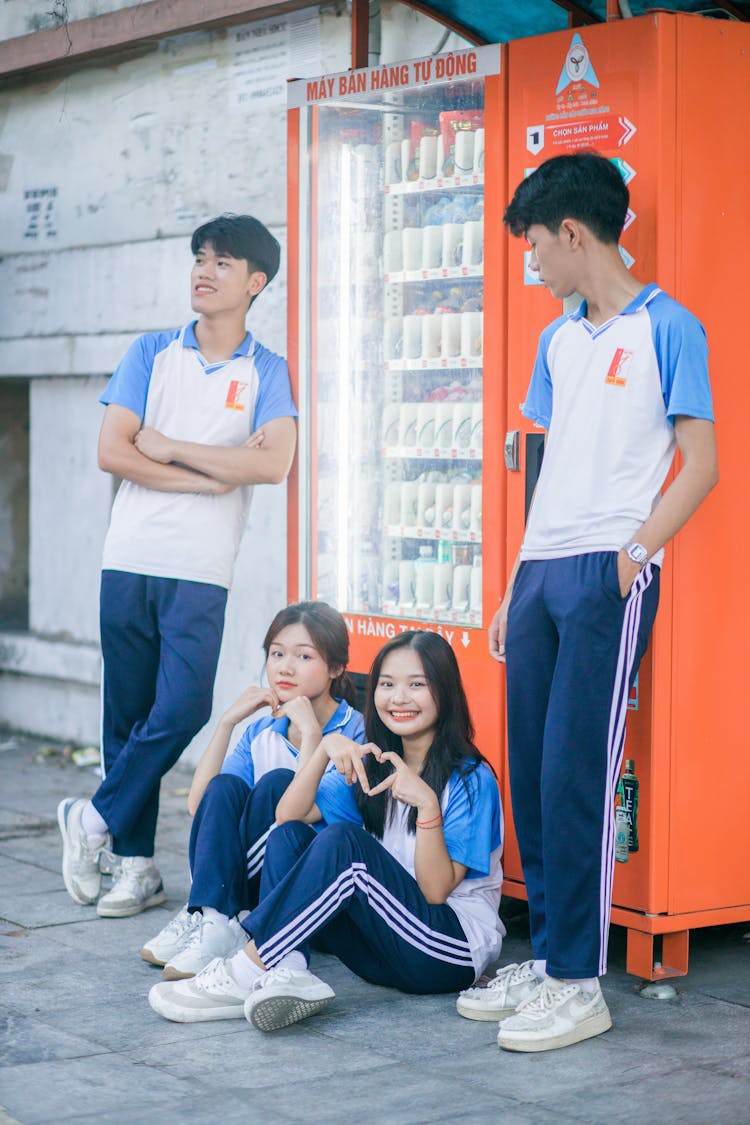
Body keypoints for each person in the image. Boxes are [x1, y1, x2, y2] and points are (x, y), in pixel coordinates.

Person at [456, 152, 718, 1052]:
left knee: (576, 773)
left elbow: (704, 464)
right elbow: (547, 464)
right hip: (540, 572)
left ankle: (580, 980)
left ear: (572, 233)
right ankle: (555, 956)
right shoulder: (558, 339)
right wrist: (514, 580)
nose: (531, 264)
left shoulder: (670, 327)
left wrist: (628, 559)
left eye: (534, 245)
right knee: (530, 767)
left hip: (606, 569)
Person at [57, 214, 298, 918]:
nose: (204, 269)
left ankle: (92, 820)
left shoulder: (266, 371)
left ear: (255, 282)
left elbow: (273, 462)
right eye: (200, 257)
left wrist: (168, 443)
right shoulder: (152, 351)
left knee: (185, 705)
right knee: (127, 716)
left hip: (201, 565)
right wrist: (207, 472)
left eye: (223, 262)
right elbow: (114, 449)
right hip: (129, 554)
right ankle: (134, 865)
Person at [147, 630, 505, 1029]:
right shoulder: (375, 763)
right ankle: (288, 967)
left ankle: (245, 970)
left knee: (343, 843)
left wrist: (427, 806)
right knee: (292, 837)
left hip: (446, 951)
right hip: (382, 950)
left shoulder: (471, 779)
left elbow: (435, 891)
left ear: (445, 692)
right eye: (387, 684)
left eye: (416, 685)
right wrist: (321, 749)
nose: (398, 697)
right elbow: (286, 817)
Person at [140, 600, 365, 978]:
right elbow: (201, 804)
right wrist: (227, 722)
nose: (284, 667)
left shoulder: (354, 730)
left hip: (303, 891)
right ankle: (214, 917)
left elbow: (301, 813)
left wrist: (312, 733)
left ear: (336, 668)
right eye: (276, 654)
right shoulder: (263, 730)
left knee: (277, 785)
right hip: (250, 886)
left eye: (304, 656)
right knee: (225, 786)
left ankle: (215, 913)